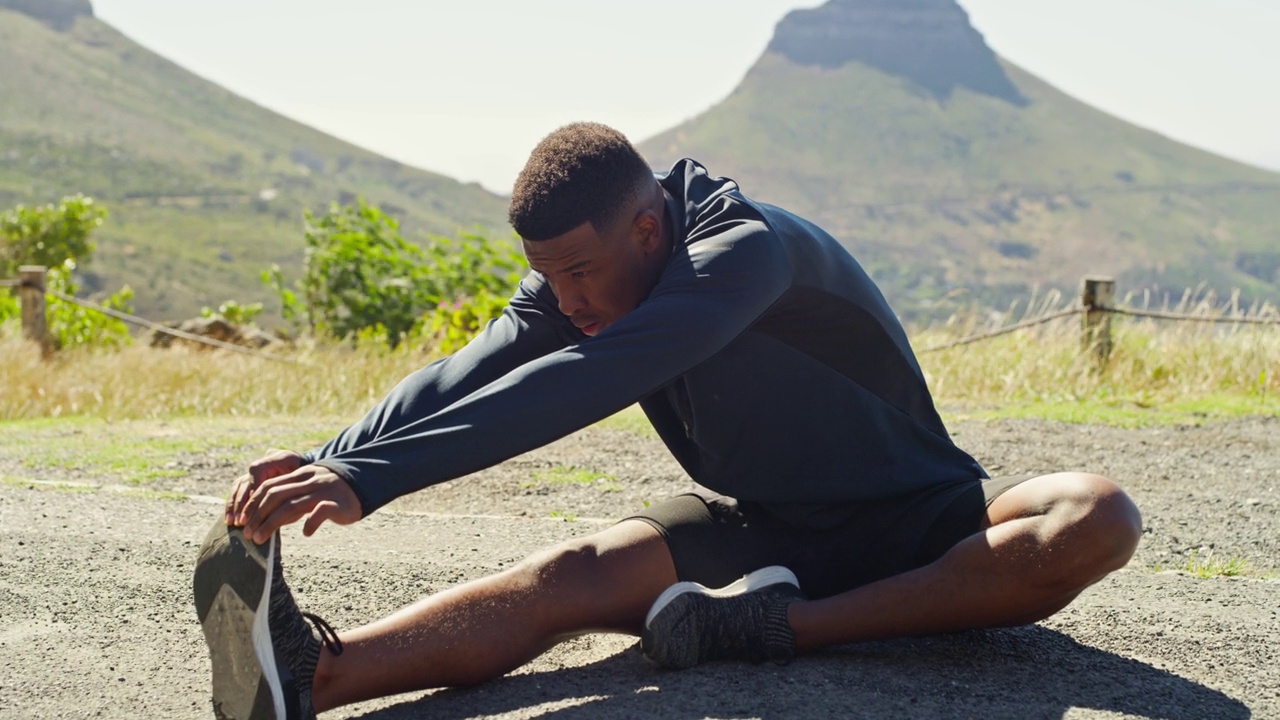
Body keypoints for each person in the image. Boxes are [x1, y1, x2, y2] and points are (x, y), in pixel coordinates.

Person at [194, 122, 1143, 720]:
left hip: (921, 517)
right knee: (566, 576)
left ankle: (782, 630)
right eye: (545, 275)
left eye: (577, 272)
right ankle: (309, 677)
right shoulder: (579, 276)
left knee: (1099, 516)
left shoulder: (744, 253)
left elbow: (588, 378)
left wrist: (375, 483)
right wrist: (329, 461)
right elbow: (467, 371)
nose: (562, 301)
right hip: (768, 533)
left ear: (648, 228)